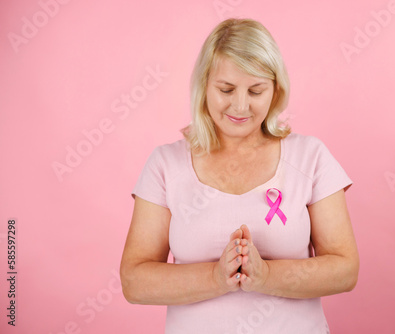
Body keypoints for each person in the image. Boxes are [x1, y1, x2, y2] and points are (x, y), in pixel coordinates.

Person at [120, 18, 359, 333]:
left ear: (275, 90)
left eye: (256, 90)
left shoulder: (310, 157)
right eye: (226, 89)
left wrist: (265, 276)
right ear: (204, 85)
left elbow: (344, 270)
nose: (241, 105)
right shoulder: (166, 164)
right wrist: (218, 278)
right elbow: (135, 281)